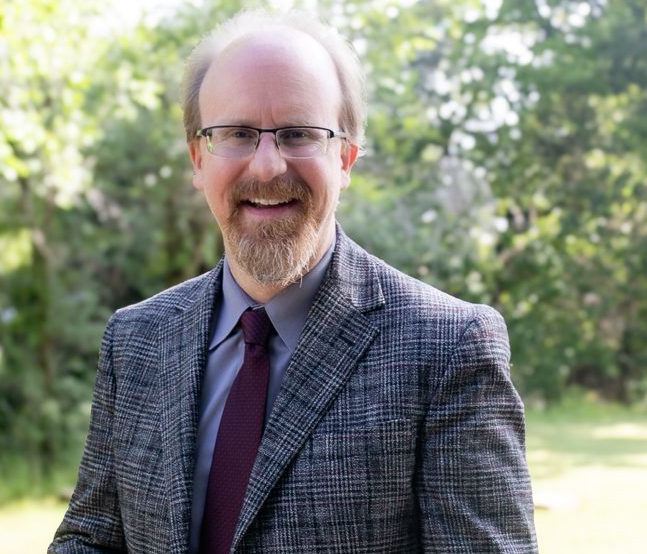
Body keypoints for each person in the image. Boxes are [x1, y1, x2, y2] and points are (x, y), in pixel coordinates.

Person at [49, 9, 537, 554]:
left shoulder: (449, 347)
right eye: (235, 134)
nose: (265, 166)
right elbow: (92, 538)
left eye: (299, 133)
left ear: (346, 158)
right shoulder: (135, 340)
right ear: (197, 158)